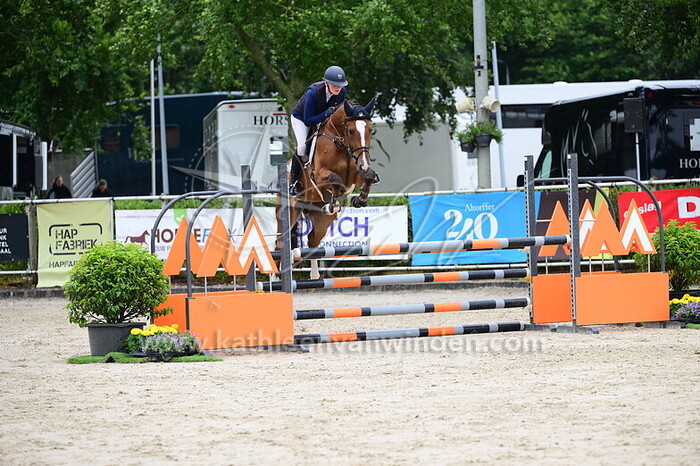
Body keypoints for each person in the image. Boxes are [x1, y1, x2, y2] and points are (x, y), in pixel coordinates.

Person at [288, 65, 349, 196]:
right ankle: (293, 182)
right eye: (334, 85)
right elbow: (308, 120)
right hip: (302, 119)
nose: (338, 88)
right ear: (326, 83)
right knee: (302, 147)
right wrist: (326, 114)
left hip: (323, 119)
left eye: (340, 85)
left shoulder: (342, 92)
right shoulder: (313, 92)